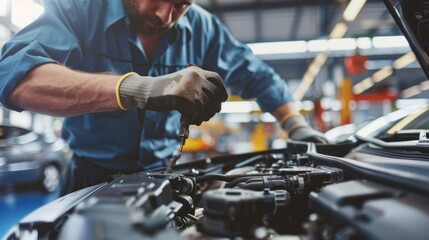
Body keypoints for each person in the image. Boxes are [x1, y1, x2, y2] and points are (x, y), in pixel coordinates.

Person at [0, 0, 326, 195]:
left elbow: (255, 73)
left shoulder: (203, 28)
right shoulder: (81, 9)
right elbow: (15, 76)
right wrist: (140, 89)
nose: (164, 15)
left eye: (181, 4)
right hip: (88, 178)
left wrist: (296, 125)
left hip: (164, 177)